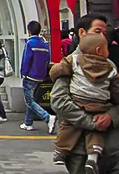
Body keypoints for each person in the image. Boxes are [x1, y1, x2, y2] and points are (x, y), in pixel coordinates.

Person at [51, 13, 119, 174]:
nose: (103, 36)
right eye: (97, 31)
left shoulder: (109, 65)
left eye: (104, 32)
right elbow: (59, 101)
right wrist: (91, 122)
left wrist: (111, 116)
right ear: (82, 33)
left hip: (113, 149)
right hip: (79, 149)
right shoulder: (70, 64)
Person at [19, 20, 56, 133]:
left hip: (30, 76)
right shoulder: (44, 44)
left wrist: (23, 72)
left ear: (29, 31)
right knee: (32, 99)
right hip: (40, 76)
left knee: (29, 101)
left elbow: (27, 60)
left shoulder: (30, 43)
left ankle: (47, 117)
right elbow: (47, 60)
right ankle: (28, 123)